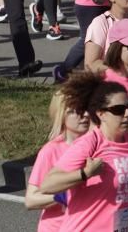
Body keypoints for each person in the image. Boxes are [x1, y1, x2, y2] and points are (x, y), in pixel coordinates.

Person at [40, 70, 128, 231]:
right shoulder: (90, 143)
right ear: (101, 114)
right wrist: (84, 174)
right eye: (118, 110)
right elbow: (48, 185)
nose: (127, 114)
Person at [25, 89, 92, 230]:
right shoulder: (51, 151)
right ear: (61, 116)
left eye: (87, 108)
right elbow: (31, 200)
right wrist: (63, 196)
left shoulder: (100, 146)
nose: (85, 115)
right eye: (76, 111)